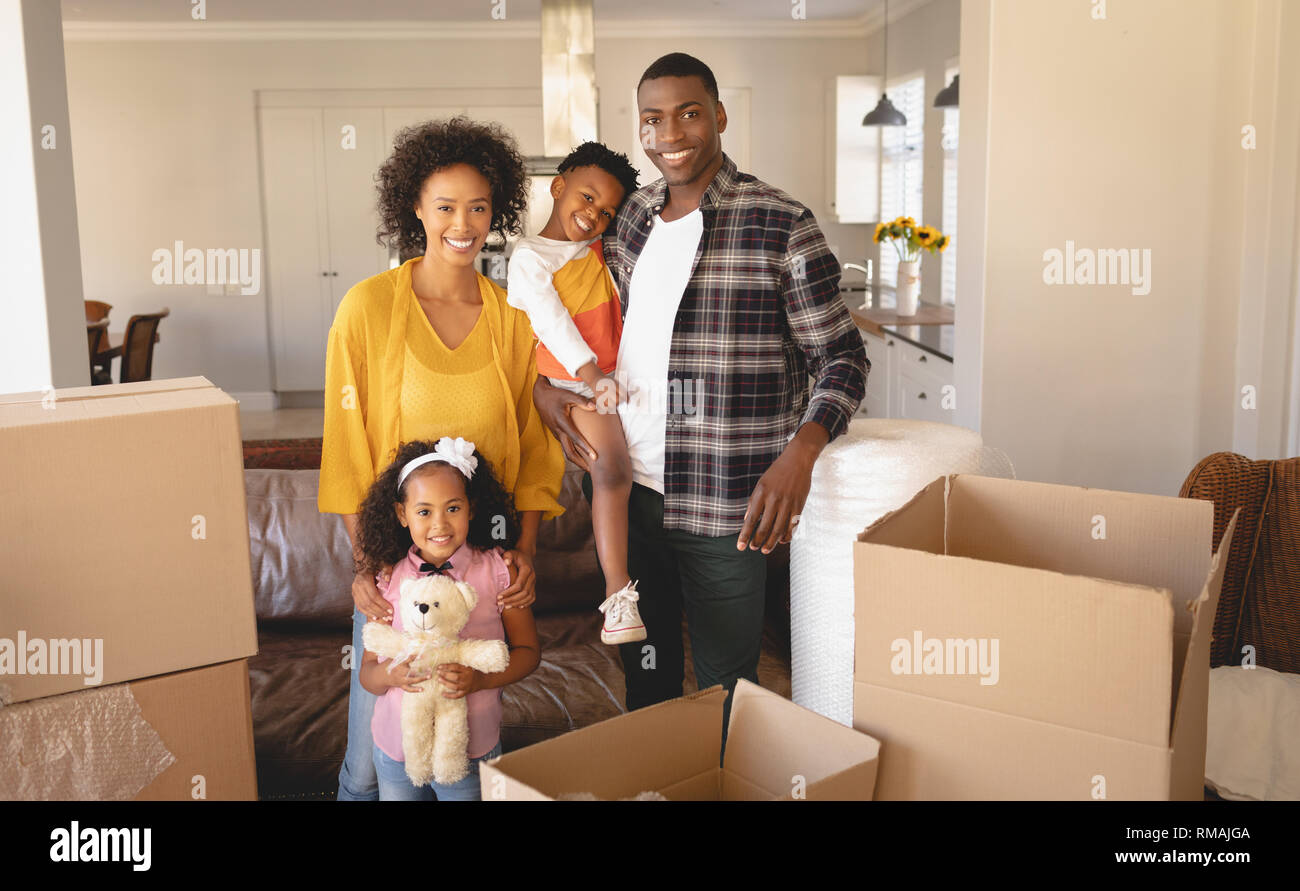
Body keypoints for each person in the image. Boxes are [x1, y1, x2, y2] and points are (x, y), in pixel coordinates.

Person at [533, 53, 869, 727]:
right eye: (652, 119)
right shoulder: (628, 222)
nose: (671, 132)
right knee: (646, 682)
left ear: (717, 116)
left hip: (726, 502)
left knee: (726, 690)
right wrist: (546, 393)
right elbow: (579, 324)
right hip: (633, 494)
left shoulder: (781, 223)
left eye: (688, 112)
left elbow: (842, 356)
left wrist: (801, 452)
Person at [319, 116, 564, 801]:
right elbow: (346, 450)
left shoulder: (516, 318)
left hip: (481, 568)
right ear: (416, 209)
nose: (464, 222)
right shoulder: (365, 309)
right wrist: (367, 570)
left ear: (498, 212)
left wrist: (526, 556)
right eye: (446, 206)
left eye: (479, 206)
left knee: (465, 746)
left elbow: (537, 450)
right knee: (370, 766)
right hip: (393, 570)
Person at [505, 141, 645, 645]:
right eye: (586, 198)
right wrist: (592, 378)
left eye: (606, 210)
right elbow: (553, 322)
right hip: (574, 382)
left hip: (609, 378)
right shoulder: (529, 256)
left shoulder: (596, 249)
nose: (593, 215)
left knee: (622, 468)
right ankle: (618, 597)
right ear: (557, 187)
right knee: (612, 470)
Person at [354, 436, 540, 801]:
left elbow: (529, 652)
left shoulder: (498, 573)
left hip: (471, 748)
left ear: (471, 508)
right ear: (401, 515)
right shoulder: (388, 582)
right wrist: (390, 674)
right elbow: (368, 675)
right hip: (397, 749)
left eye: (452, 508)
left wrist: (480, 680)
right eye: (424, 511)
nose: (440, 523)